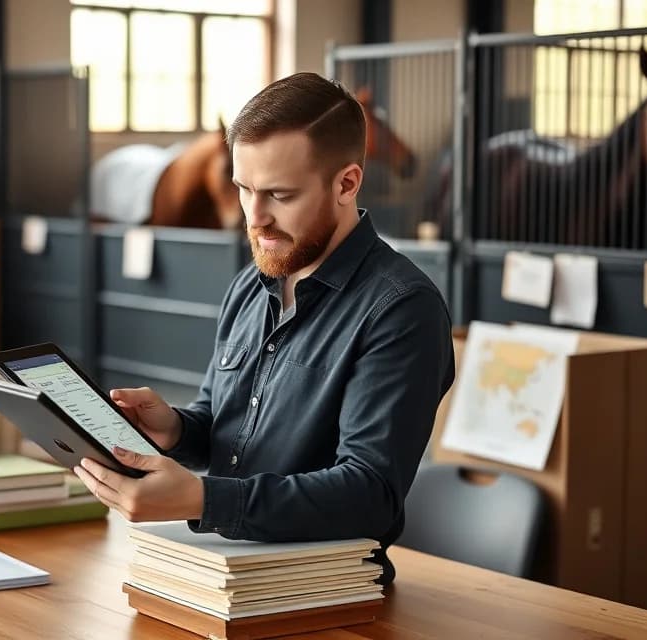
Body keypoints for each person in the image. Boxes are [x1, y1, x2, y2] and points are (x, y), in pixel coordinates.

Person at [72, 72, 455, 584]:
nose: (254, 217)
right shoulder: (251, 285)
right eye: (244, 188)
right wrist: (176, 428)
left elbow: (370, 495)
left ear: (347, 183)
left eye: (279, 194)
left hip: (317, 594)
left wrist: (203, 497)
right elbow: (226, 429)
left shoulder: (402, 310)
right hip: (220, 574)